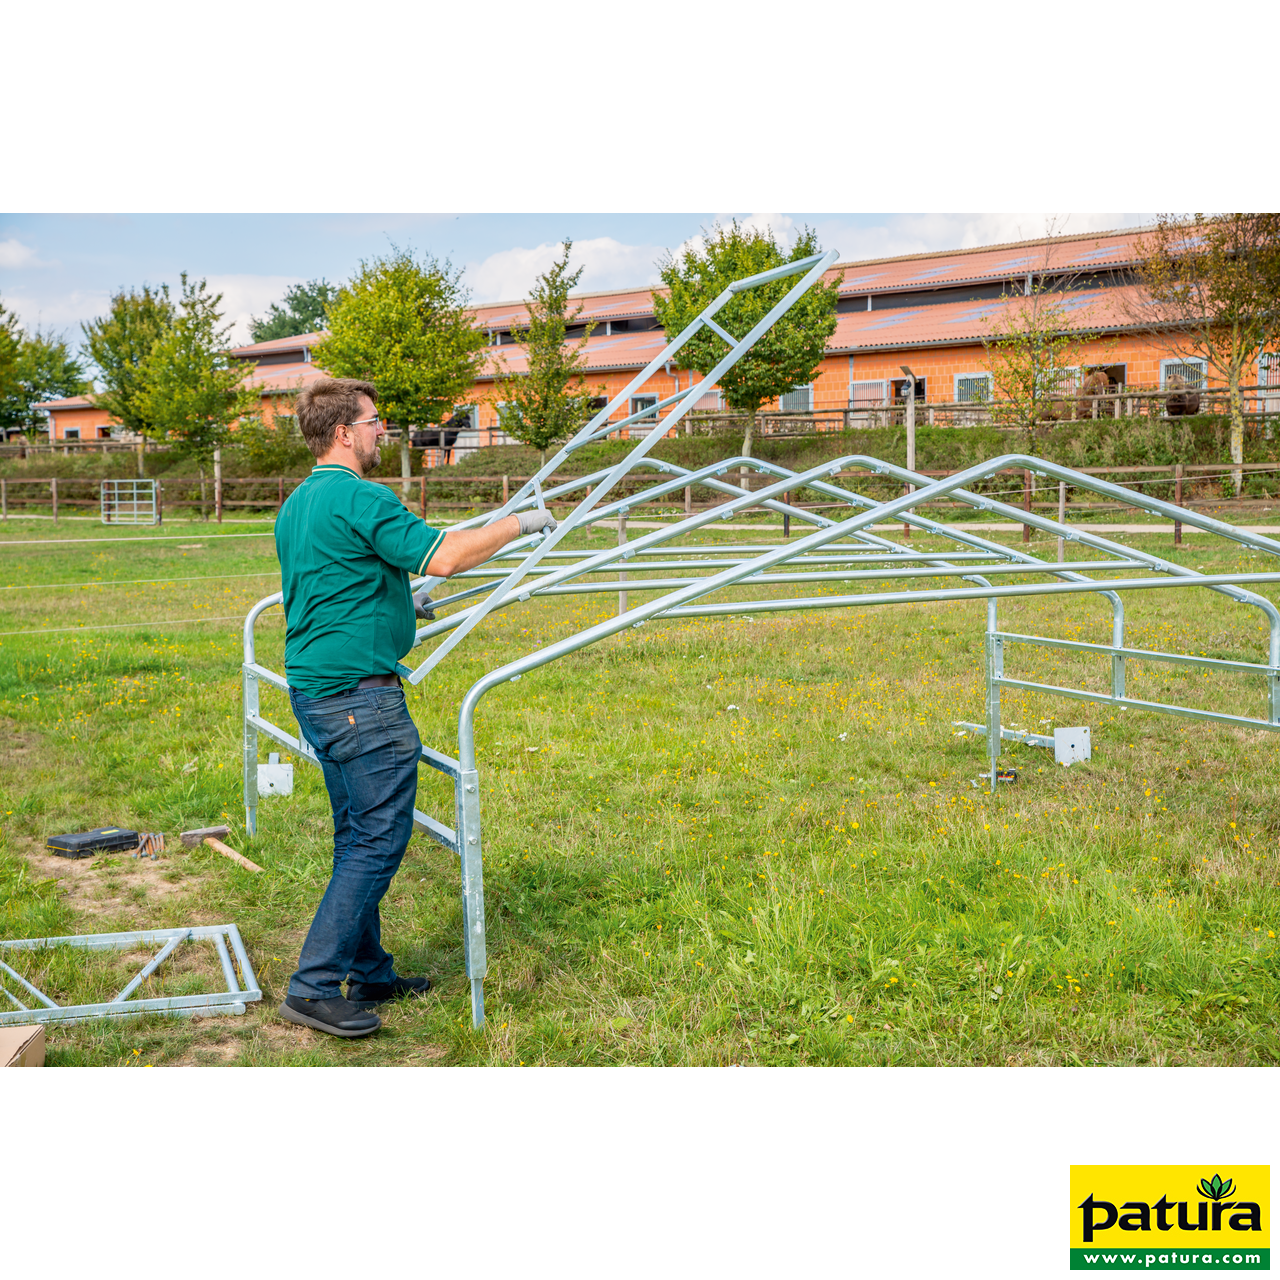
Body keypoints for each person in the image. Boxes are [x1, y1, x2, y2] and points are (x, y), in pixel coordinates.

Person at [276, 379, 556, 1037]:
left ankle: (368, 970)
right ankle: (314, 987)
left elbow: (336, 581)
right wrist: (522, 522)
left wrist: (404, 602)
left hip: (317, 689)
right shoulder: (360, 495)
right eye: (375, 422)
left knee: (357, 834)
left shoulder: (301, 502)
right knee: (378, 841)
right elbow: (447, 555)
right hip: (359, 700)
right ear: (344, 431)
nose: (383, 432)